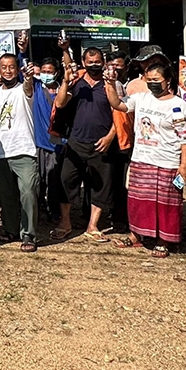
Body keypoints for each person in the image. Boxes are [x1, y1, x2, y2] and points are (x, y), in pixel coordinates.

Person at [103, 60, 186, 257]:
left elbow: (185, 138)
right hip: (141, 159)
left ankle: (164, 240)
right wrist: (110, 84)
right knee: (138, 201)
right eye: (148, 79)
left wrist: (184, 165)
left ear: (167, 80)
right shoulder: (141, 98)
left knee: (166, 204)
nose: (152, 83)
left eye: (156, 79)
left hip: (167, 161)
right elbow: (118, 104)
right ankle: (136, 235)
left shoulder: (177, 105)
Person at [54, 45, 117, 242]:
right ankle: (65, 222)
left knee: (101, 186)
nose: (94, 66)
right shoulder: (76, 82)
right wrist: (65, 82)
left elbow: (121, 113)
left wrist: (110, 137)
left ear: (104, 62)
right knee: (66, 180)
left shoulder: (111, 84)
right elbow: (60, 103)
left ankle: (93, 225)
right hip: (76, 142)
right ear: (83, 63)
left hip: (102, 144)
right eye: (90, 63)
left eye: (98, 62)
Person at [0, 54, 46, 252]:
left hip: (25, 150)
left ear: (17, 68)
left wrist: (28, 78)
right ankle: (10, 229)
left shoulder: (23, 89)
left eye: (11, 67)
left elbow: (29, 87)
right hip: (2, 152)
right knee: (7, 195)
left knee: (28, 192)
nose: (8, 70)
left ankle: (29, 234)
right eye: (4, 67)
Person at [35, 58, 68, 237]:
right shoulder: (36, 87)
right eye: (43, 71)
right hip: (40, 142)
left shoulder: (64, 91)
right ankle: (40, 208)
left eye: (50, 71)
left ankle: (55, 211)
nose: (46, 74)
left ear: (56, 72)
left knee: (55, 179)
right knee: (39, 178)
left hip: (58, 143)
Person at [105, 51, 135, 235]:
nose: (114, 69)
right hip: (107, 139)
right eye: (111, 65)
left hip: (125, 139)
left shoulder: (132, 85)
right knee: (109, 180)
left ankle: (121, 218)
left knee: (123, 182)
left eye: (118, 65)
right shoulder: (109, 84)